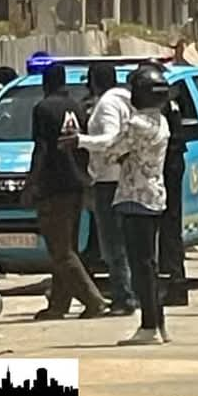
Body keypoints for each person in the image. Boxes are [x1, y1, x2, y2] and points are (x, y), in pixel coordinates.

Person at [25, 63, 107, 321]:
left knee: (60, 251)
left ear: (45, 82)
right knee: (67, 248)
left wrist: (31, 184)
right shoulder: (77, 107)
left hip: (53, 185)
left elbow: (41, 150)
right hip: (76, 184)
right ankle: (59, 304)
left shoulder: (43, 108)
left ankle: (94, 301)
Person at [65, 62, 136, 316]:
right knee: (126, 241)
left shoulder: (107, 104)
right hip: (125, 177)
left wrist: (80, 141)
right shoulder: (127, 99)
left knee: (112, 244)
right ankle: (130, 293)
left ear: (93, 81)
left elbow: (110, 138)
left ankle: (123, 298)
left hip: (109, 181)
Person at [108, 64, 171, 345]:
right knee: (151, 264)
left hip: (135, 197)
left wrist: (82, 141)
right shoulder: (161, 120)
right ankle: (158, 322)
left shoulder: (137, 123)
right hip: (155, 196)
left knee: (140, 265)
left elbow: (113, 149)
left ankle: (148, 326)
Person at [159, 88, 188, 306]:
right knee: (171, 230)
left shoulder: (162, 108)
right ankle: (174, 282)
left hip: (167, 169)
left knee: (168, 230)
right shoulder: (170, 104)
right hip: (173, 165)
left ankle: (173, 284)